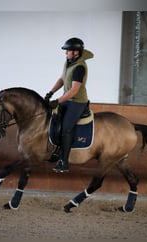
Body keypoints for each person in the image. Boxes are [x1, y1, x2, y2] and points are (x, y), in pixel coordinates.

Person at [45, 37, 94, 173]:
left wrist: (57, 101)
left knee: (66, 128)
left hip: (77, 101)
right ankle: (56, 150)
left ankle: (64, 162)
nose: (65, 53)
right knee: (54, 118)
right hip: (67, 98)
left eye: (68, 51)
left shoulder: (79, 67)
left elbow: (74, 90)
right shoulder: (68, 62)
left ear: (76, 52)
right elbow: (62, 79)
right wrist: (50, 92)